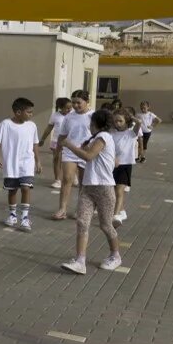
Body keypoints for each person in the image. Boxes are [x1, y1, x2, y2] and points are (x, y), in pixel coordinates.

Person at [60, 109, 122, 274]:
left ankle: (115, 256)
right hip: (88, 187)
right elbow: (113, 161)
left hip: (104, 188)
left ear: (95, 124)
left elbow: (88, 156)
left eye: (90, 123)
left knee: (106, 225)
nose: (89, 125)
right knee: (82, 222)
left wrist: (69, 145)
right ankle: (80, 261)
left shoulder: (104, 137)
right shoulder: (95, 138)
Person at [0, 97, 41, 232]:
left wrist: (38, 161)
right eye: (29, 112)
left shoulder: (32, 126)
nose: (31, 115)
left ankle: (25, 218)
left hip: (27, 163)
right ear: (18, 112)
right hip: (11, 164)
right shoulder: (6, 124)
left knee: (26, 188)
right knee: (12, 190)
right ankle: (12, 215)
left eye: (32, 112)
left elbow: (35, 143)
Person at [53, 90, 92, 221]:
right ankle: (62, 209)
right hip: (69, 151)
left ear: (87, 101)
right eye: (73, 102)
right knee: (67, 179)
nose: (75, 105)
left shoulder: (93, 116)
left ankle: (80, 209)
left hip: (86, 152)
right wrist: (57, 151)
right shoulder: (69, 117)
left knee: (83, 183)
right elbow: (62, 135)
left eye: (78, 102)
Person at [110, 110, 140, 225]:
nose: (117, 123)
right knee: (112, 191)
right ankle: (122, 211)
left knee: (119, 191)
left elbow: (139, 123)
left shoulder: (131, 133)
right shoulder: (111, 133)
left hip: (125, 165)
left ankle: (115, 216)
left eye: (120, 121)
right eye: (115, 121)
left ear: (126, 122)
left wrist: (131, 118)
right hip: (112, 165)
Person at [39, 97, 72, 189]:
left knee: (69, 160)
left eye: (71, 107)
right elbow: (49, 128)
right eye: (67, 108)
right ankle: (57, 180)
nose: (70, 110)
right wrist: (42, 139)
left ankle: (72, 177)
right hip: (56, 141)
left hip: (70, 142)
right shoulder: (55, 116)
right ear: (61, 107)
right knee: (57, 160)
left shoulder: (73, 115)